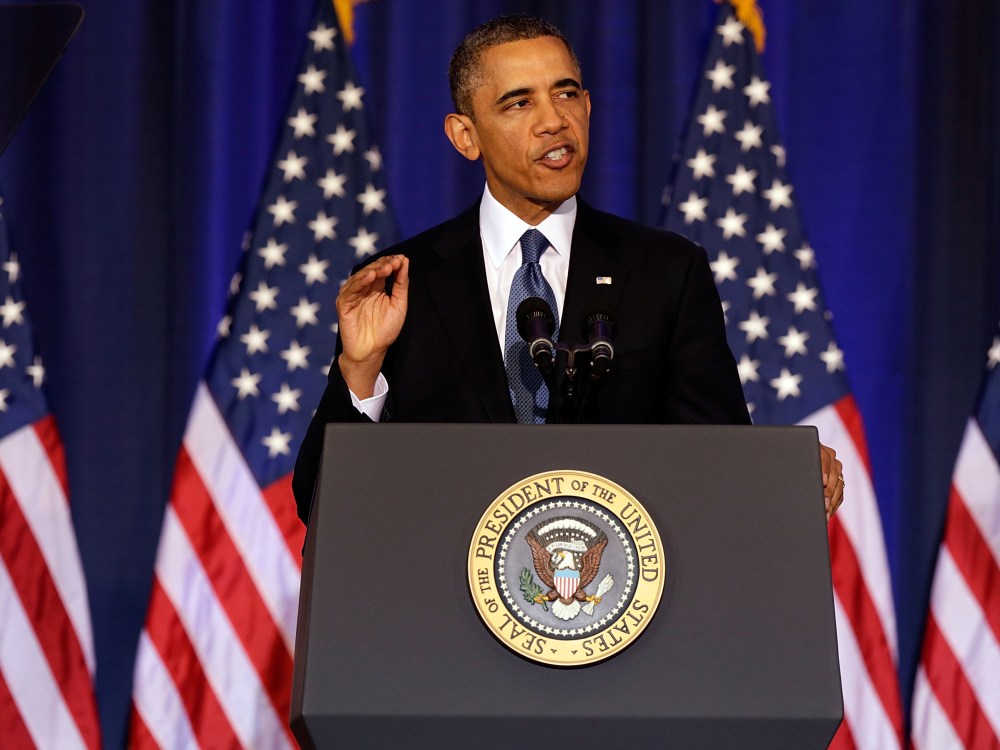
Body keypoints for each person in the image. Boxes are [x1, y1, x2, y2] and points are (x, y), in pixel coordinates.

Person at [292, 15, 844, 525]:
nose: (555, 121)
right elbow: (318, 502)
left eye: (566, 93)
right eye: (518, 103)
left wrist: (782, 469)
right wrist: (360, 371)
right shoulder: (402, 284)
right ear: (466, 136)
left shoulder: (666, 272)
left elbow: (720, 458)